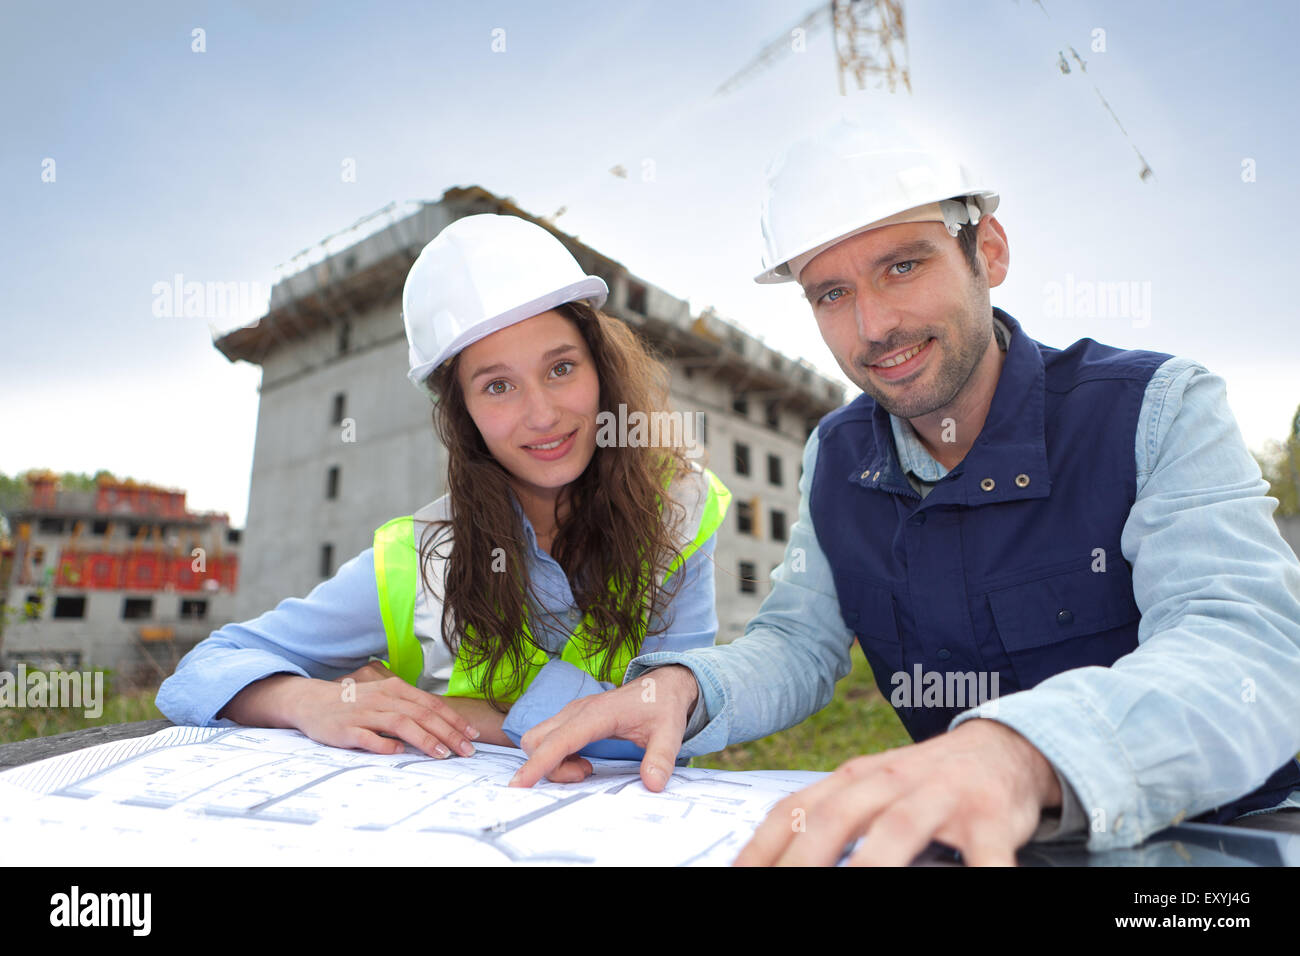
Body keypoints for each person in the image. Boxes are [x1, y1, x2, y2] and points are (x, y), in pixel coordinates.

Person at [509, 116, 1300, 864]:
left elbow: (1246, 647)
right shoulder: (837, 453)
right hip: (986, 842)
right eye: (831, 293)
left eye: (904, 265)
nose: (874, 325)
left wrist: (1023, 753)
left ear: (987, 252)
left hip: (1234, 833)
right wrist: (685, 687)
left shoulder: (1152, 409)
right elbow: (799, 642)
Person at [156, 213, 731, 771]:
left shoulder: (676, 517)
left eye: (560, 369)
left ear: (599, 369)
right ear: (464, 414)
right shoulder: (417, 560)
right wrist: (313, 701)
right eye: (498, 385)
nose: (542, 415)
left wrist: (461, 714)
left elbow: (673, 725)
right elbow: (202, 671)